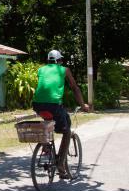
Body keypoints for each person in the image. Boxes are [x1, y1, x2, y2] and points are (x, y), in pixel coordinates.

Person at [32, 50, 89, 178]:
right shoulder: (64, 70)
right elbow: (74, 88)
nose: (62, 62)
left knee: (49, 120)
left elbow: (45, 87)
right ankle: (60, 165)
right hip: (53, 105)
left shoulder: (41, 70)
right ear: (59, 61)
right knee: (67, 131)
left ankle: (46, 146)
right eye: (61, 60)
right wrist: (83, 105)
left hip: (37, 105)